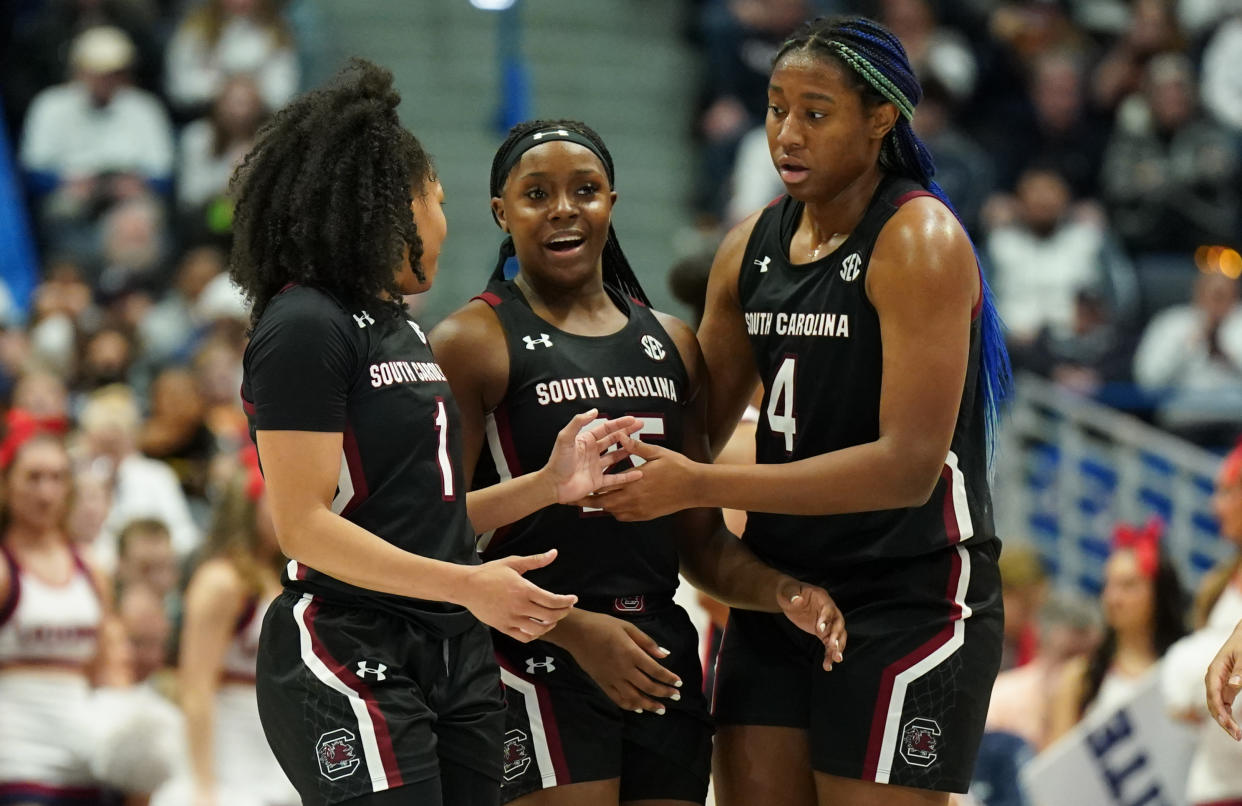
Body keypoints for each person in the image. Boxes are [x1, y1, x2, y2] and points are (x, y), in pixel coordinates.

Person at [593, 16, 1010, 806]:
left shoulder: (918, 239)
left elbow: (906, 469)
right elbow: (695, 436)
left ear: (881, 119)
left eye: (814, 112)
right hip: (781, 589)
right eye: (776, 108)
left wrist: (701, 486)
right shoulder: (749, 245)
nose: (787, 132)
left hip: (909, 593)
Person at [229, 59, 642, 806]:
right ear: (389, 207)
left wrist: (547, 486)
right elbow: (303, 528)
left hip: (448, 645)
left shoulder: (399, 329)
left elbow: (425, 521)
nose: (446, 224)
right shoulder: (302, 325)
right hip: (349, 639)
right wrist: (468, 586)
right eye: (438, 201)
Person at [430, 119, 844, 806]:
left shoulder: (674, 344)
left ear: (612, 203)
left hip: (660, 649)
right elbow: (430, 533)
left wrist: (781, 593)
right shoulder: (470, 341)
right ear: (502, 212)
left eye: (585, 190)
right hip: (534, 652)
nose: (564, 209)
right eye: (537, 194)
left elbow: (700, 545)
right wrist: (573, 630)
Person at [153, 449, 296, 806]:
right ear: (246, 507)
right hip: (232, 747)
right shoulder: (221, 581)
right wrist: (202, 782)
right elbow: (196, 686)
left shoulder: (291, 578)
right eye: (278, 498)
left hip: (284, 745)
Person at [0, 431, 130, 804]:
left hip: (84, 765)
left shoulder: (89, 567)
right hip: (16, 765)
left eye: (57, 478)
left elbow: (109, 665)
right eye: (34, 477)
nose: (46, 492)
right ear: (7, 484)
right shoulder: (5, 568)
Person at [1047, 518, 1186, 744]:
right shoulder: (1080, 678)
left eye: (1128, 585)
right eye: (1108, 584)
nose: (1113, 598)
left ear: (1159, 593)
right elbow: (1056, 770)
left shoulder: (1183, 669)